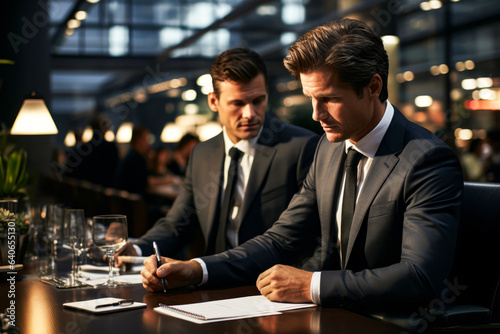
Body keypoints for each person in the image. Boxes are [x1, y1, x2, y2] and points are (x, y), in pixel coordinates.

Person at [140, 19, 463, 313]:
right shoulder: (329, 148)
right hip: (328, 314)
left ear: (373, 87)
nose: (315, 114)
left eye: (329, 98)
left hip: (387, 321)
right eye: (311, 98)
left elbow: (419, 278)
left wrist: (311, 285)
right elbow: (280, 240)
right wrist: (198, 269)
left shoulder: (426, 159)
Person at [116, 47, 319, 263]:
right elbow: (177, 224)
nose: (250, 114)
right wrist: (136, 250)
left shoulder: (301, 147)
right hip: (211, 280)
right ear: (214, 102)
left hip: (271, 284)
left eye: (258, 101)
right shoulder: (202, 154)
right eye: (238, 103)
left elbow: (311, 236)